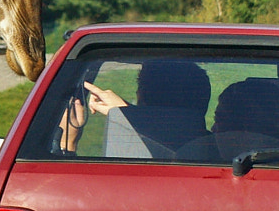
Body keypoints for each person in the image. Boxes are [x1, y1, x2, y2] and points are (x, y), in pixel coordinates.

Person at [58, 60, 212, 157]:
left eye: (140, 87)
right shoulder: (217, 151)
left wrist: (68, 144)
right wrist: (127, 113)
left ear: (141, 94)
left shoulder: (135, 156)